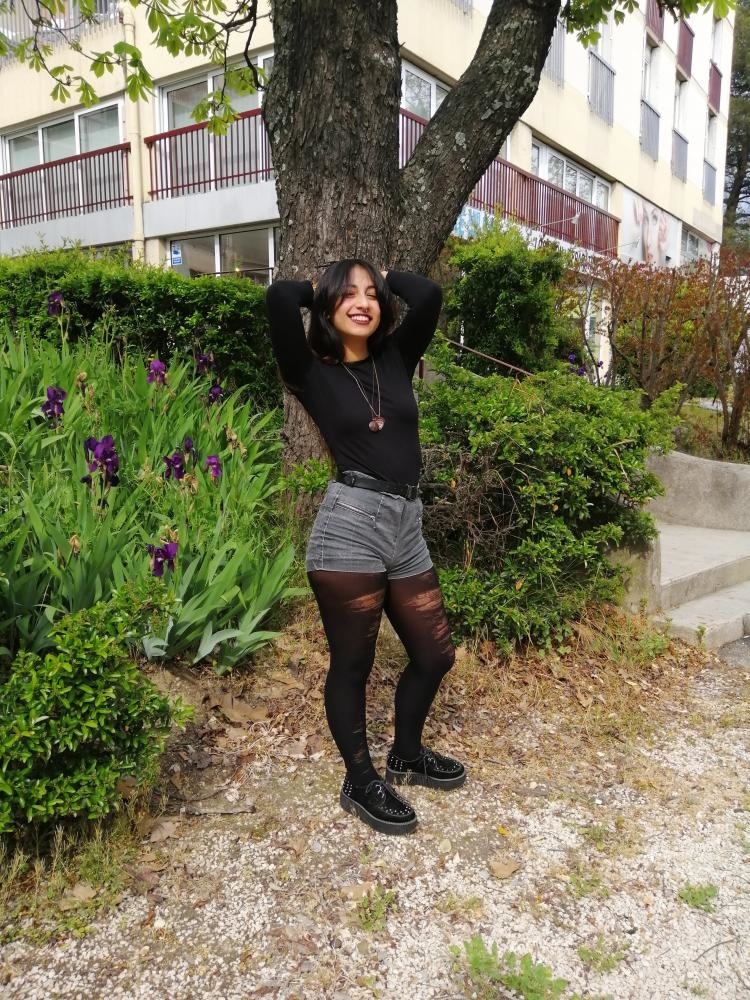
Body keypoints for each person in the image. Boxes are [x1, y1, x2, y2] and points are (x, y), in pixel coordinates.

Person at [266, 260, 465, 835]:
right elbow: (279, 299)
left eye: (371, 294)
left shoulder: (395, 357)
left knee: (435, 654)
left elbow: (428, 295)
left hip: (407, 525)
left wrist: (386, 274)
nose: (363, 302)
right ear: (328, 306)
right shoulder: (309, 370)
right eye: (348, 294)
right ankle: (359, 779)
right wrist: (321, 287)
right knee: (353, 664)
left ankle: (406, 754)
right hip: (350, 527)